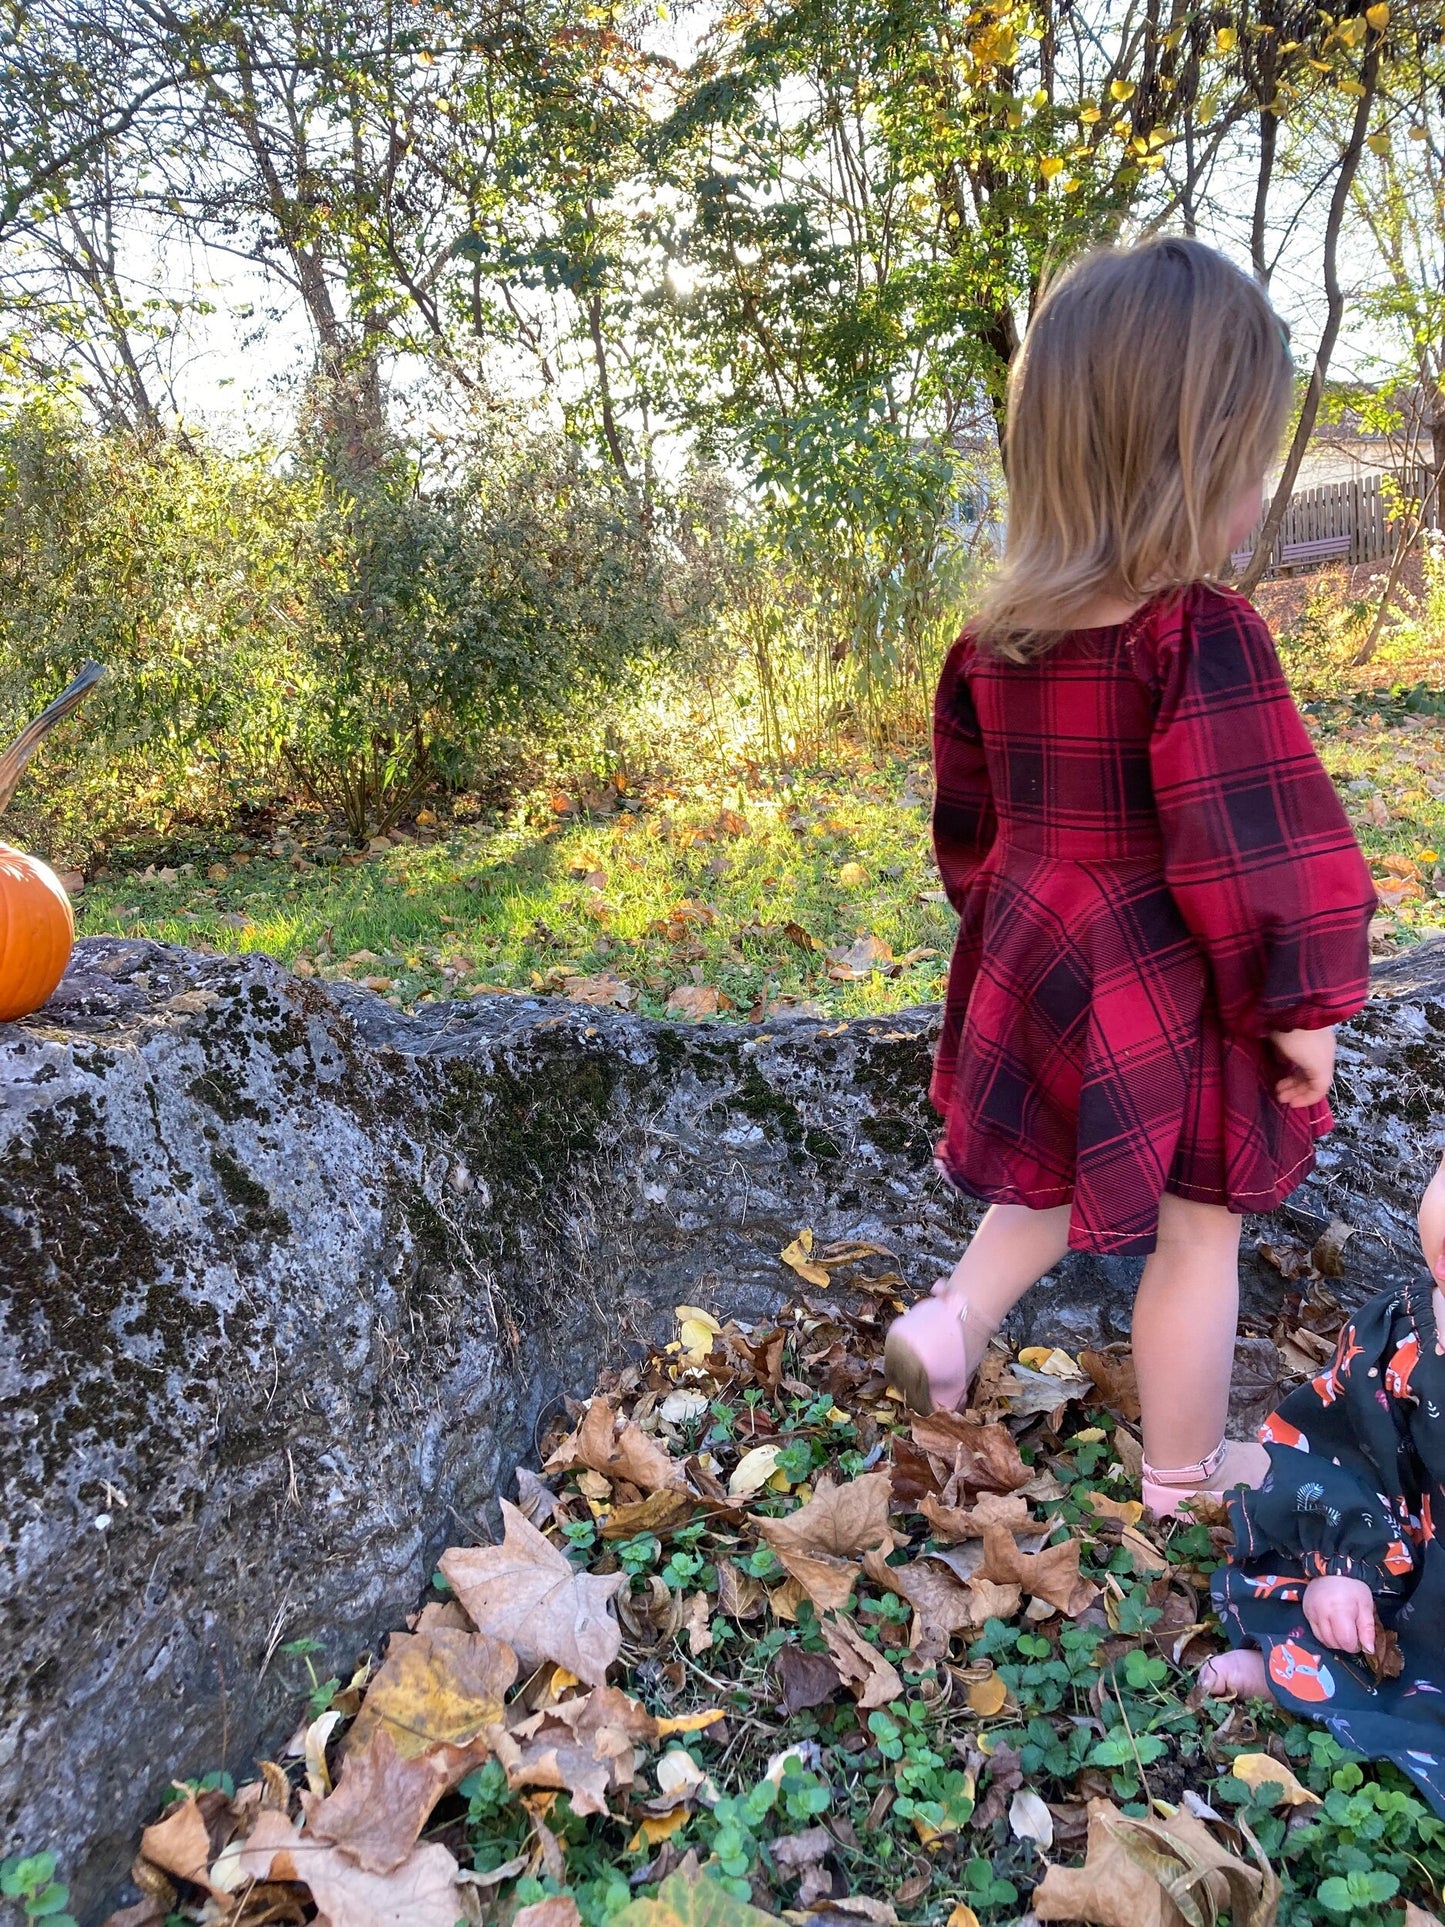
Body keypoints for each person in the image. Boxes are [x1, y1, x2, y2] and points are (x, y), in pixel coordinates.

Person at [883, 237, 1375, 1516]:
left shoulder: (995, 642)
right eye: (1248, 466)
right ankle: (1185, 1473)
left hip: (1045, 954)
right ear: (1195, 462)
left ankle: (950, 1323)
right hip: (1169, 978)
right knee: (1196, 1229)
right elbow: (1258, 848)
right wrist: (1300, 1010)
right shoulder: (1194, 636)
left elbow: (969, 824)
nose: (1256, 497)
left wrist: (1011, 938)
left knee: (1047, 1166)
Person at [1203, 1156, 1445, 1813]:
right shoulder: (1402, 1337)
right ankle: (1307, 1673)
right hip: (1416, 1576)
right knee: (1345, 1623)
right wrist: (1346, 1565)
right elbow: (1350, 1451)